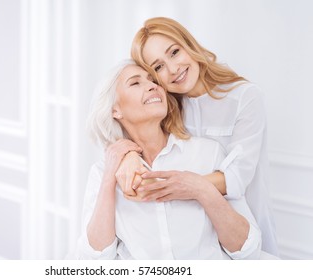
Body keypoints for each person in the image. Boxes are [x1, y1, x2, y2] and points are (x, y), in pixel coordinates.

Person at [116, 16, 278, 256]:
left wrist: (185, 186)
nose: (173, 69)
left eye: (174, 52)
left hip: (244, 227)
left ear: (188, 45)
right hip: (198, 235)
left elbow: (236, 179)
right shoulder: (168, 109)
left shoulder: (245, 97)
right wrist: (128, 153)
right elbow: (133, 129)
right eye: (158, 67)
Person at [74, 60, 261, 260]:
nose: (153, 86)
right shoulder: (103, 172)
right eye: (135, 83)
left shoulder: (208, 153)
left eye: (153, 80)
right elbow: (93, 260)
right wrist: (110, 175)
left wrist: (200, 189)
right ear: (115, 110)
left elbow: (247, 249)